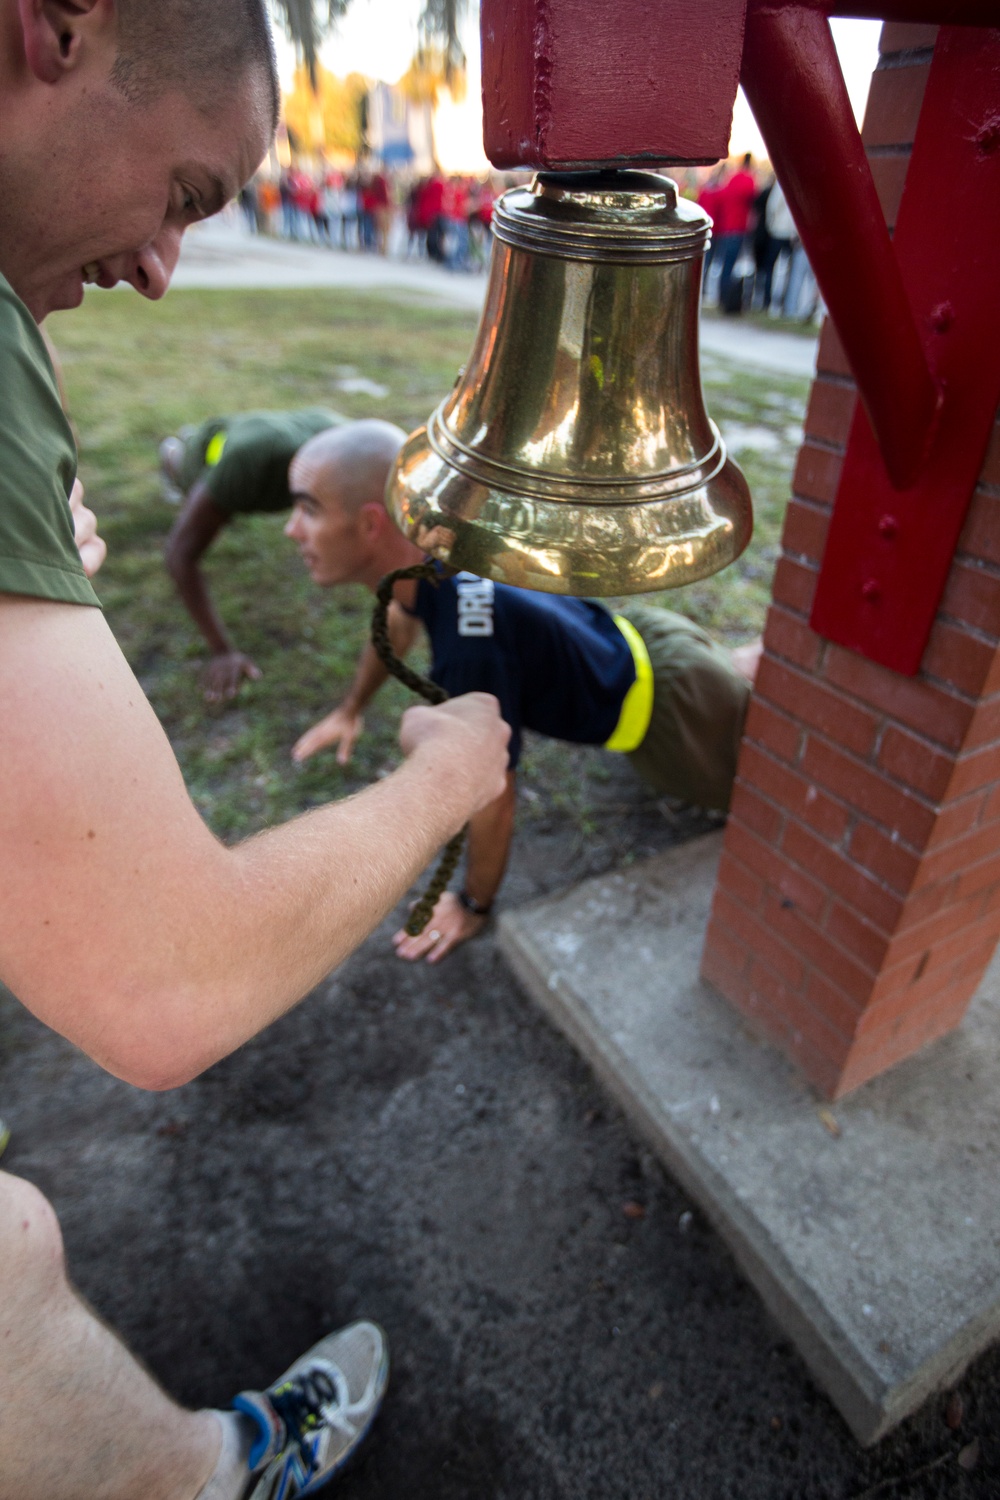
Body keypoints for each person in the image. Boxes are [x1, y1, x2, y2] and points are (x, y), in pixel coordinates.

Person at [0, 6, 509, 1500]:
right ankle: (220, 1475)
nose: (162, 271)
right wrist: (441, 781)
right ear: (59, 28)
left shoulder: (425, 565)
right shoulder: (202, 457)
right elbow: (166, 984)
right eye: (185, 198)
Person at [286, 425, 760, 967]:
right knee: (749, 691)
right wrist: (351, 710)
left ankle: (751, 678)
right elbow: (397, 617)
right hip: (653, 641)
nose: (290, 530)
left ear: (371, 523)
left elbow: (494, 797)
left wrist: (472, 904)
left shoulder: (469, 650)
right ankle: (743, 667)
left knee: (780, 792)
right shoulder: (446, 550)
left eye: (308, 510)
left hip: (674, 716)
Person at [161, 408, 344, 702]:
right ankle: (175, 455)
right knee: (197, 486)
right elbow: (179, 555)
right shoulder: (247, 464)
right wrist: (222, 650)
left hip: (267, 432)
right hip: (222, 451)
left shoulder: (349, 446)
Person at [715, 153, 757, 312]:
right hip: (739, 228)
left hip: (727, 226)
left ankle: (722, 297)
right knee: (736, 266)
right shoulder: (749, 180)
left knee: (726, 265)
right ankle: (730, 300)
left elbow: (723, 197)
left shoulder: (732, 178)